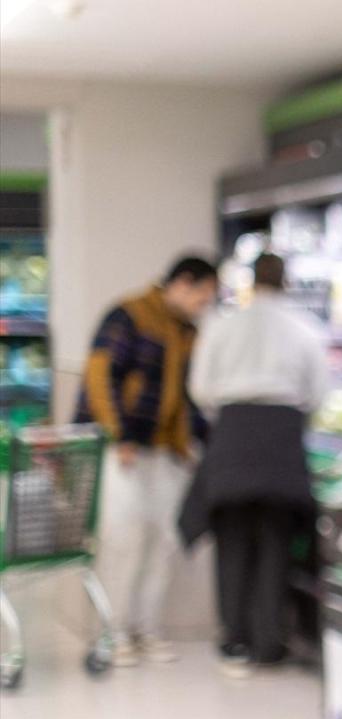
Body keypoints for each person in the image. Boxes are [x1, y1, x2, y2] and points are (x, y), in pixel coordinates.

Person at [181, 252, 329, 675]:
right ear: (286, 282)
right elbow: (318, 393)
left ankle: (235, 641)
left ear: (251, 280)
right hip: (282, 439)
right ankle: (270, 643)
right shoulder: (305, 329)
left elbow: (201, 389)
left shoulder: (222, 326)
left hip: (232, 434)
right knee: (275, 542)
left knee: (232, 543)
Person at [75, 255, 218, 667]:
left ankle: (145, 629)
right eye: (202, 296)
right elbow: (100, 376)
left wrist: (198, 441)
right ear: (182, 283)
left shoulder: (188, 332)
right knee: (123, 540)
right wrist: (119, 434)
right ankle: (112, 631)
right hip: (124, 450)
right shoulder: (129, 316)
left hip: (165, 452)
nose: (202, 306)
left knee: (163, 540)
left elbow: (187, 395)